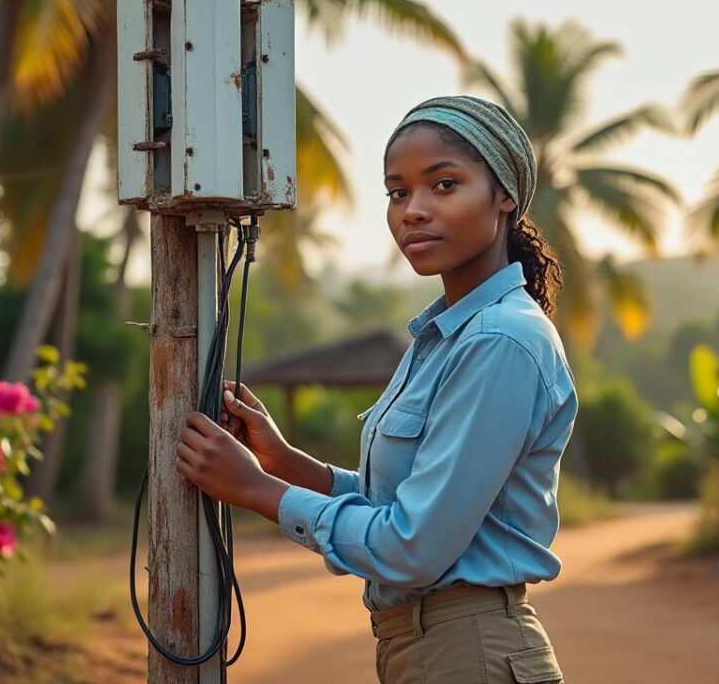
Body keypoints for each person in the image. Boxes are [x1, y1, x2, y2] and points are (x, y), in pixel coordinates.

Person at [175, 94, 578, 684]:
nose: (414, 210)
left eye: (444, 185)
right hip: (428, 646)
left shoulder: (499, 341)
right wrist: (282, 461)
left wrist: (257, 490)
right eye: (398, 192)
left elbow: (410, 548)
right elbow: (399, 505)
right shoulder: (442, 336)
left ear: (504, 196)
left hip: (469, 652)